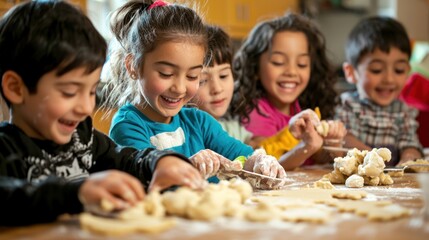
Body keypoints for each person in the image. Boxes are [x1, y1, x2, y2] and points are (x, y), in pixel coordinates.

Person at [0, 0, 204, 226]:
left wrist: (160, 161)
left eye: (91, 91)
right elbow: (9, 197)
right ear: (16, 88)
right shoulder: (6, 150)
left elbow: (128, 158)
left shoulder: (84, 139)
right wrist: (76, 193)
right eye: (69, 92)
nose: (86, 108)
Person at [101, 0, 286, 187]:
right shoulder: (128, 126)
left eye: (192, 76)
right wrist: (189, 166)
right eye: (166, 74)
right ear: (133, 66)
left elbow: (243, 157)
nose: (180, 88)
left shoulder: (199, 122)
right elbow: (147, 176)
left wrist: (260, 163)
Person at [230, 12, 347, 170]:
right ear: (255, 67)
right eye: (278, 62)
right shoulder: (254, 113)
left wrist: (333, 144)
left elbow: (318, 159)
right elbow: (264, 164)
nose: (291, 72)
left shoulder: (302, 108)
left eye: (302, 64)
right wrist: (307, 147)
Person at [337, 16, 423, 165]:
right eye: (377, 70)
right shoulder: (347, 104)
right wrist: (374, 159)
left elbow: (411, 145)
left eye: (399, 70)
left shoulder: (403, 111)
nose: (389, 79)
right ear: (350, 72)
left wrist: (408, 160)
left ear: (408, 71)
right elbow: (343, 139)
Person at [190, 24, 257, 148]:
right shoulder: (182, 133)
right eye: (203, 81)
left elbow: (260, 148)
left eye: (223, 76)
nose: (217, 89)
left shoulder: (232, 129)